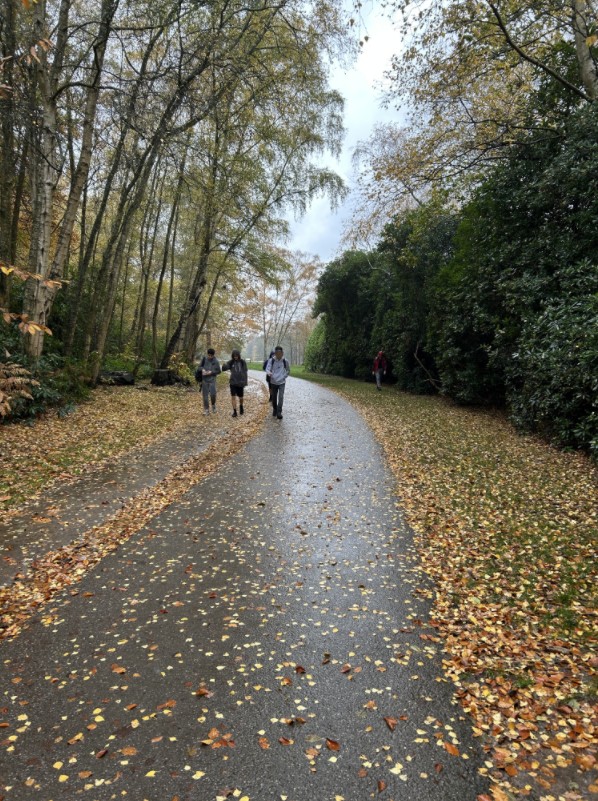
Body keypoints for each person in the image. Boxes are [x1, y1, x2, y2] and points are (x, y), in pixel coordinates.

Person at [221, 349, 248, 417]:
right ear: (232, 356)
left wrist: (245, 382)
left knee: (241, 398)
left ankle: (241, 406)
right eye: (234, 356)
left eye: (236, 356)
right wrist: (224, 366)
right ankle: (235, 411)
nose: (235, 357)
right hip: (233, 382)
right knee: (233, 397)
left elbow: (245, 372)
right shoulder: (231, 362)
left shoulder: (242, 362)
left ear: (239, 355)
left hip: (240, 383)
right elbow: (224, 368)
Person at [265, 345, 290, 419]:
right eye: (277, 353)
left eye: (280, 353)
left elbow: (288, 370)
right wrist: (269, 373)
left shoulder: (285, 361)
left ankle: (279, 412)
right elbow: (267, 369)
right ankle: (275, 409)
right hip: (273, 382)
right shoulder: (271, 360)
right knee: (274, 397)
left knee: (281, 397)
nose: (278, 354)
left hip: (282, 382)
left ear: (282, 353)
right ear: (275, 353)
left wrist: (284, 376)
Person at [200, 347, 221, 414]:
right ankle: (206, 410)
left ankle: (213, 405)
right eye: (209, 355)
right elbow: (199, 367)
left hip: (212, 380)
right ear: (207, 354)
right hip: (204, 380)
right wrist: (202, 370)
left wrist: (211, 372)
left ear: (213, 355)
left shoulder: (216, 361)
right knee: (205, 395)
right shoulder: (204, 359)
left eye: (211, 355)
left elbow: (219, 371)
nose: (210, 357)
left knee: (213, 394)